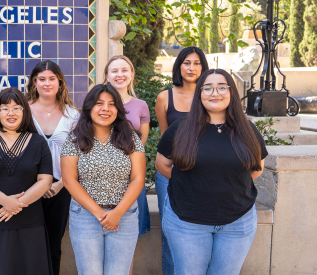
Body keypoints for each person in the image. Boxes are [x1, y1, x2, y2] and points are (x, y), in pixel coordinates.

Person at [155, 69, 267, 274]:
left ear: (232, 92)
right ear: (199, 94)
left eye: (222, 87)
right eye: (207, 88)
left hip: (237, 222)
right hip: (186, 222)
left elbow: (257, 167)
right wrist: (192, 183)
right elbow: (162, 164)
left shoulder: (247, 130)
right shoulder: (181, 128)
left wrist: (225, 183)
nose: (215, 92)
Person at [60, 84, 146, 275]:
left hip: (124, 217)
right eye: (99, 103)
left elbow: (138, 178)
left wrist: (117, 213)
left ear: (118, 110)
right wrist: (100, 213)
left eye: (112, 104)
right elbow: (69, 180)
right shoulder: (75, 139)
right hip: (85, 217)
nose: (106, 109)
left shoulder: (130, 138)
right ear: (90, 107)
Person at [0, 87, 54, 275]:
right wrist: (5, 201)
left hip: (28, 222)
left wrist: (16, 204)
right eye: (5, 108)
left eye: (17, 108)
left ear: (25, 111)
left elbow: (46, 180)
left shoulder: (38, 142)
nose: (11, 113)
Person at [153, 46, 208, 275]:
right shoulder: (165, 97)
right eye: (186, 63)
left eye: (196, 63)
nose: (191, 68)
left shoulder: (210, 95)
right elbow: (167, 138)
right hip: (171, 173)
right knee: (170, 230)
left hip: (205, 174)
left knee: (203, 226)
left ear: (204, 67)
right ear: (178, 66)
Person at [25, 60, 79, 275]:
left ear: (60, 82)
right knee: (28, 244)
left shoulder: (73, 115)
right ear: (34, 82)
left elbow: (78, 157)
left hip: (60, 188)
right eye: (41, 79)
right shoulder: (23, 111)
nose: (47, 83)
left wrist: (60, 184)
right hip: (27, 187)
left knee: (53, 244)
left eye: (51, 79)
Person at [104, 55, 151, 273]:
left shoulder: (141, 106)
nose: (120, 74)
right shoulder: (96, 103)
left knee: (128, 237)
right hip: (100, 178)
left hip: (131, 178)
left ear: (131, 75)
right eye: (114, 70)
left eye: (124, 70)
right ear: (107, 76)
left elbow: (141, 144)